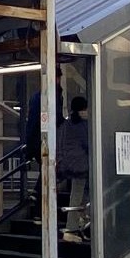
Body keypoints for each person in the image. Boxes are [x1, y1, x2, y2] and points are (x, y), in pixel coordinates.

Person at [24, 83, 65, 218]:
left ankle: (38, 204)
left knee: (46, 170)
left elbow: (32, 122)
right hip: (47, 141)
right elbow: (57, 118)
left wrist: (29, 147)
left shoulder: (36, 97)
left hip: (36, 141)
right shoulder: (54, 96)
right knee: (51, 170)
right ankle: (39, 199)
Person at [56, 95, 91, 242]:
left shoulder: (67, 123)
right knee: (78, 194)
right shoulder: (82, 125)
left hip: (68, 164)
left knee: (80, 194)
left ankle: (81, 220)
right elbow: (89, 143)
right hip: (81, 165)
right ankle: (71, 228)